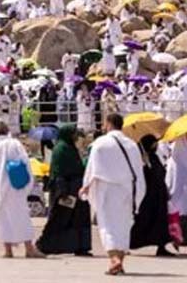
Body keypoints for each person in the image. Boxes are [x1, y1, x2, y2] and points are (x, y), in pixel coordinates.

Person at [81, 113, 146, 276]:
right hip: (126, 190)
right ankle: (120, 262)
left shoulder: (100, 144)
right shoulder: (132, 145)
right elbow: (139, 172)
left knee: (108, 225)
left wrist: (86, 186)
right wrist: (138, 194)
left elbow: (92, 170)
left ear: (108, 124)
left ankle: (114, 259)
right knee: (124, 225)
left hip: (106, 190)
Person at [0, 120, 42, 259]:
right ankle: (29, 248)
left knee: (2, 219)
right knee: (21, 217)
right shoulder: (13, 144)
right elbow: (24, 162)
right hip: (14, 187)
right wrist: (28, 183)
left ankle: (8, 250)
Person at [36, 124, 91, 256]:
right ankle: (45, 245)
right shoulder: (61, 149)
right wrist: (63, 192)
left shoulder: (70, 148)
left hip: (75, 189)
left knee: (79, 218)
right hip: (65, 190)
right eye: (74, 134)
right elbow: (60, 171)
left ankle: (80, 246)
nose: (76, 137)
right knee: (60, 217)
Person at [130, 134, 173, 256]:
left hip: (159, 194)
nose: (156, 146)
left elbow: (160, 173)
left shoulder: (154, 157)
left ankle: (162, 246)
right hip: (148, 196)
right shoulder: (141, 159)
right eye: (154, 144)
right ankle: (127, 243)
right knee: (144, 220)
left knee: (161, 221)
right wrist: (145, 165)